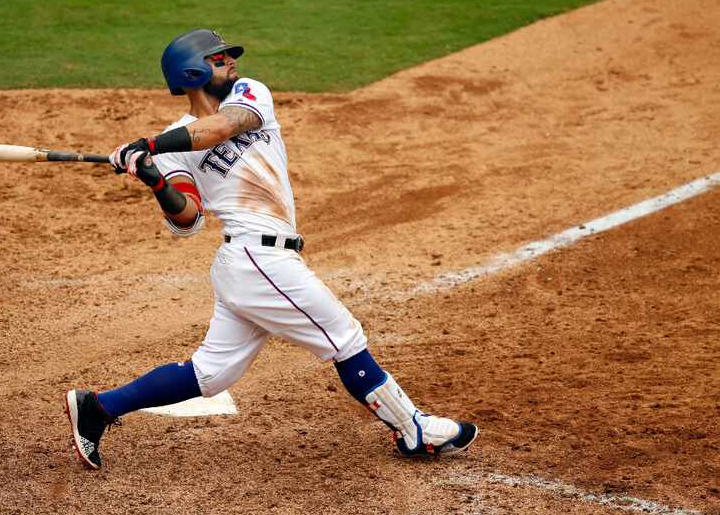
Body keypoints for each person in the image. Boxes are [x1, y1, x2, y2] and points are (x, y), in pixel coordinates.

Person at [64, 29, 478, 470]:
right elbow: (188, 219)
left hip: (259, 261)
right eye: (219, 58)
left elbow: (222, 128)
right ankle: (413, 429)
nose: (231, 63)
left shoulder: (248, 95)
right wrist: (153, 177)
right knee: (343, 337)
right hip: (254, 258)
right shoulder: (172, 144)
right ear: (193, 70)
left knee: (211, 374)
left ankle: (97, 407)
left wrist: (148, 145)